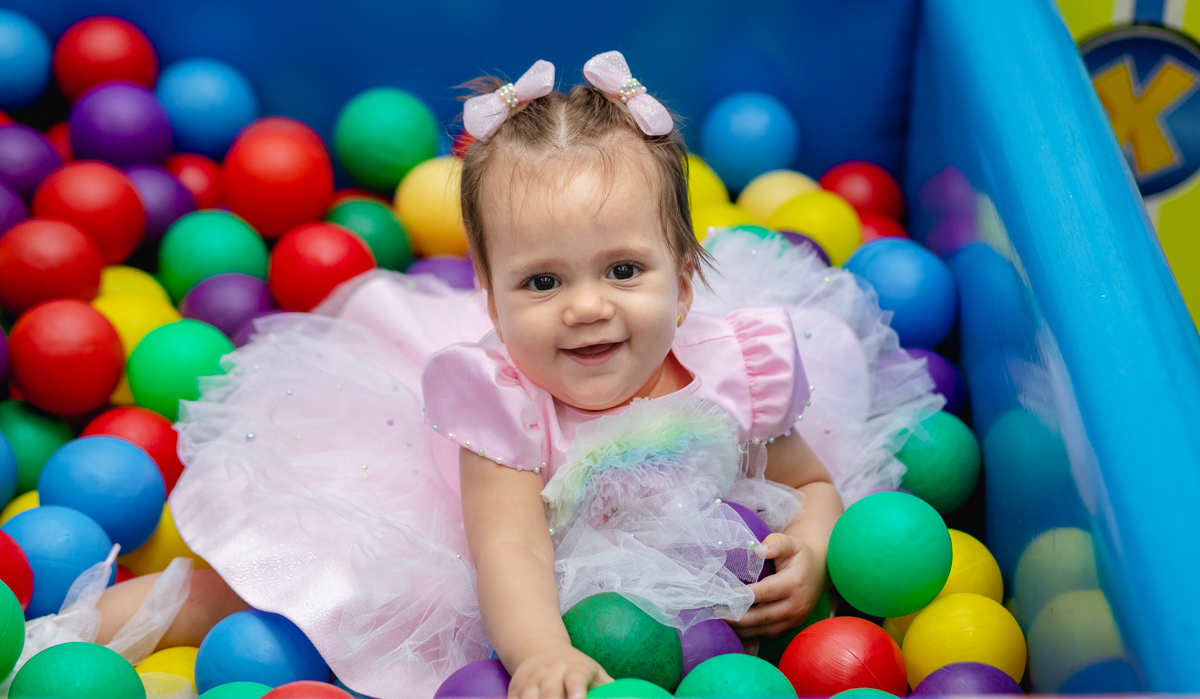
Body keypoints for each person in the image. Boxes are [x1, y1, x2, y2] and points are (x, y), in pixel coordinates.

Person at [85, 52, 941, 699]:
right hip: (507, 578)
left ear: (682, 284)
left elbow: (810, 481)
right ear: (489, 305)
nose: (586, 308)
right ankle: (68, 636)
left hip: (686, 595)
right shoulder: (498, 407)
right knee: (297, 597)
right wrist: (538, 654)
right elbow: (509, 549)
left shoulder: (738, 370)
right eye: (542, 282)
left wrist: (820, 547)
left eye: (623, 272)